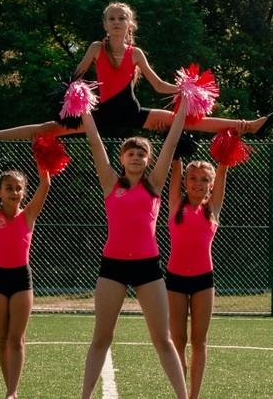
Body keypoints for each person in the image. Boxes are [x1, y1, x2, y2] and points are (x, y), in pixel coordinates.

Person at [0, 2, 273, 147]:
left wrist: (185, 88)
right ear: (105, 25)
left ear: (129, 25)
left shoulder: (136, 54)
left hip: (132, 112)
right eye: (112, 18)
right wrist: (74, 95)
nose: (117, 23)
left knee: (185, 119)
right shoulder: (95, 48)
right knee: (48, 128)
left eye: (122, 19)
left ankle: (248, 126)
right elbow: (72, 81)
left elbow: (158, 86)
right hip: (99, 114)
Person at [80, 105, 189, 399]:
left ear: (148, 160)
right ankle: (84, 396)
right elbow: (94, 142)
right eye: (131, 153)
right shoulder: (110, 182)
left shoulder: (154, 185)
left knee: (162, 339)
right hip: (112, 267)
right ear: (122, 158)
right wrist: (83, 107)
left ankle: (183, 396)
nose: (136, 157)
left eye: (142, 154)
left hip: (148, 269)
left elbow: (170, 143)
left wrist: (182, 109)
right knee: (102, 337)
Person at [0, 162, 50, 398]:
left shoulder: (29, 215)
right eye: (8, 188)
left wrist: (40, 154)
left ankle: (12, 392)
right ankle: (10, 390)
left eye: (18, 188)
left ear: (24, 192)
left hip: (21, 279)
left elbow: (45, 183)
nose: (14, 192)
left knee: (17, 340)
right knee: (2, 339)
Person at [165, 158, 228, 398]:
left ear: (211, 185)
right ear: (185, 182)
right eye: (193, 178)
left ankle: (194, 397)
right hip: (175, 280)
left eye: (204, 180)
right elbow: (175, 168)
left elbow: (223, 169)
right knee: (178, 341)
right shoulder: (175, 205)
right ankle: (181, 395)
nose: (198, 183)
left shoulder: (213, 208)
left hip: (204, 281)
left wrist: (232, 142)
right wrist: (178, 155)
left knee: (199, 341)